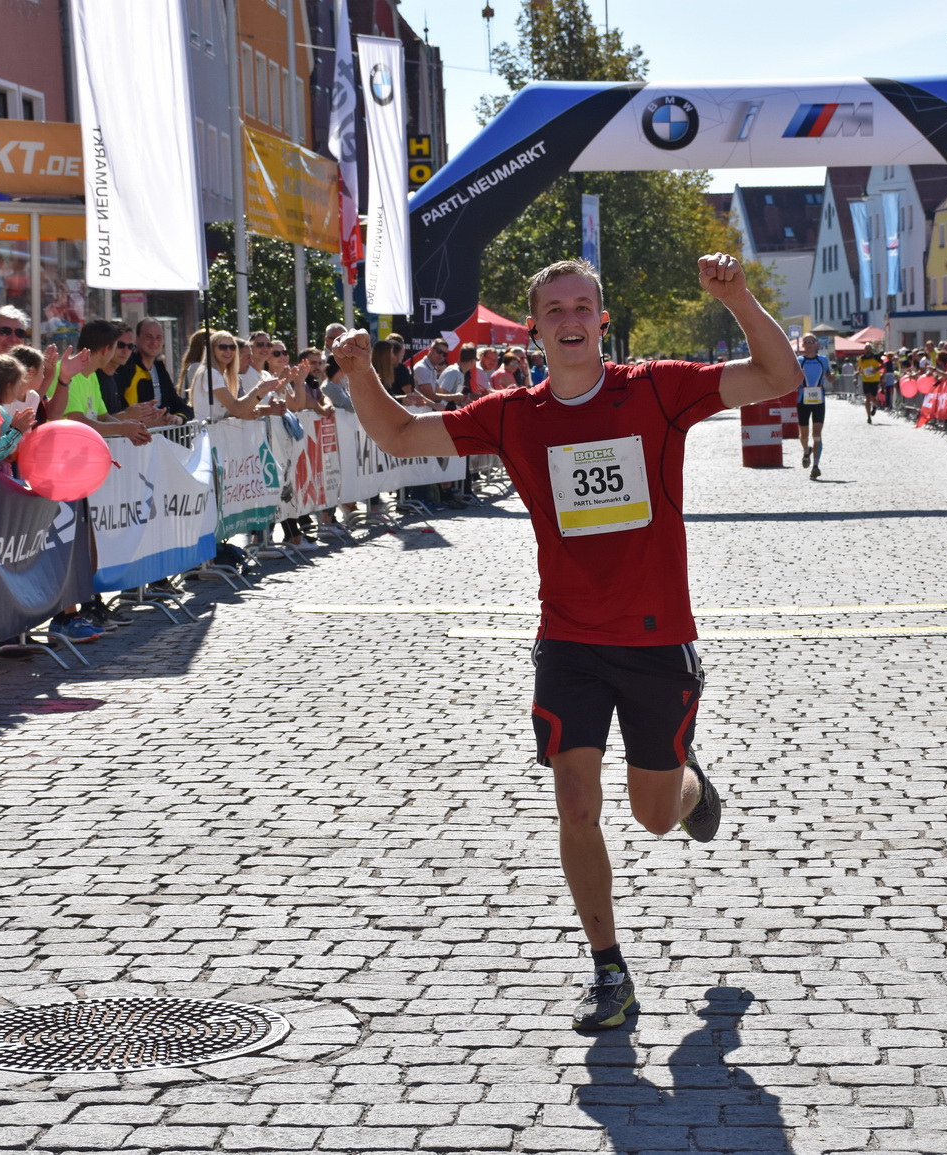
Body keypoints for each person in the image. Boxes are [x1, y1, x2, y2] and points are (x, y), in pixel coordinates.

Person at [330, 253, 801, 1031]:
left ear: (602, 322)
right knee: (576, 802)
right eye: (555, 310)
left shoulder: (655, 388)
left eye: (583, 306)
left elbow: (777, 375)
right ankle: (609, 969)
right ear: (536, 329)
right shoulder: (515, 413)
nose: (571, 319)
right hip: (570, 640)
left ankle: (687, 786)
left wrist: (740, 299)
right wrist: (357, 373)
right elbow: (401, 431)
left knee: (654, 814)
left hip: (656, 640)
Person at [43, 320, 154, 444]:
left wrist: (133, 430)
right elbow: (77, 421)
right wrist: (122, 428)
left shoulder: (92, 374)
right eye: (117, 346)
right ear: (106, 349)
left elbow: (104, 417)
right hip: (59, 453)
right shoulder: (62, 370)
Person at [111, 318, 192, 420]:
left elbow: (179, 404)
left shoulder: (159, 367)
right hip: (133, 432)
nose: (154, 342)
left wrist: (179, 418)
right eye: (148, 337)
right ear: (137, 339)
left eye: (158, 337)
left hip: (160, 433)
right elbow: (116, 409)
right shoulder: (125, 365)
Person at [795, 332, 831, 477]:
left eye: (812, 342)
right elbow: (792, 378)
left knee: (817, 434)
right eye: (806, 342)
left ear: (816, 344)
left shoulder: (823, 360)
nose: (809, 345)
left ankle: (815, 465)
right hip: (802, 401)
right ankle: (806, 451)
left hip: (819, 401)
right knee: (803, 435)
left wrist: (831, 377)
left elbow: (830, 375)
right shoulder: (798, 360)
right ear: (803, 345)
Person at [857, 343, 882, 422]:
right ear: (864, 350)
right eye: (866, 348)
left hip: (875, 379)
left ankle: (874, 406)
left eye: (869, 348)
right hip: (866, 380)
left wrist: (876, 370)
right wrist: (858, 372)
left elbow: (883, 365)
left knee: (873, 398)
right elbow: (860, 368)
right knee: (867, 398)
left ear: (871, 349)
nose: (867, 350)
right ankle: (868, 417)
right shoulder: (861, 358)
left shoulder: (876, 357)